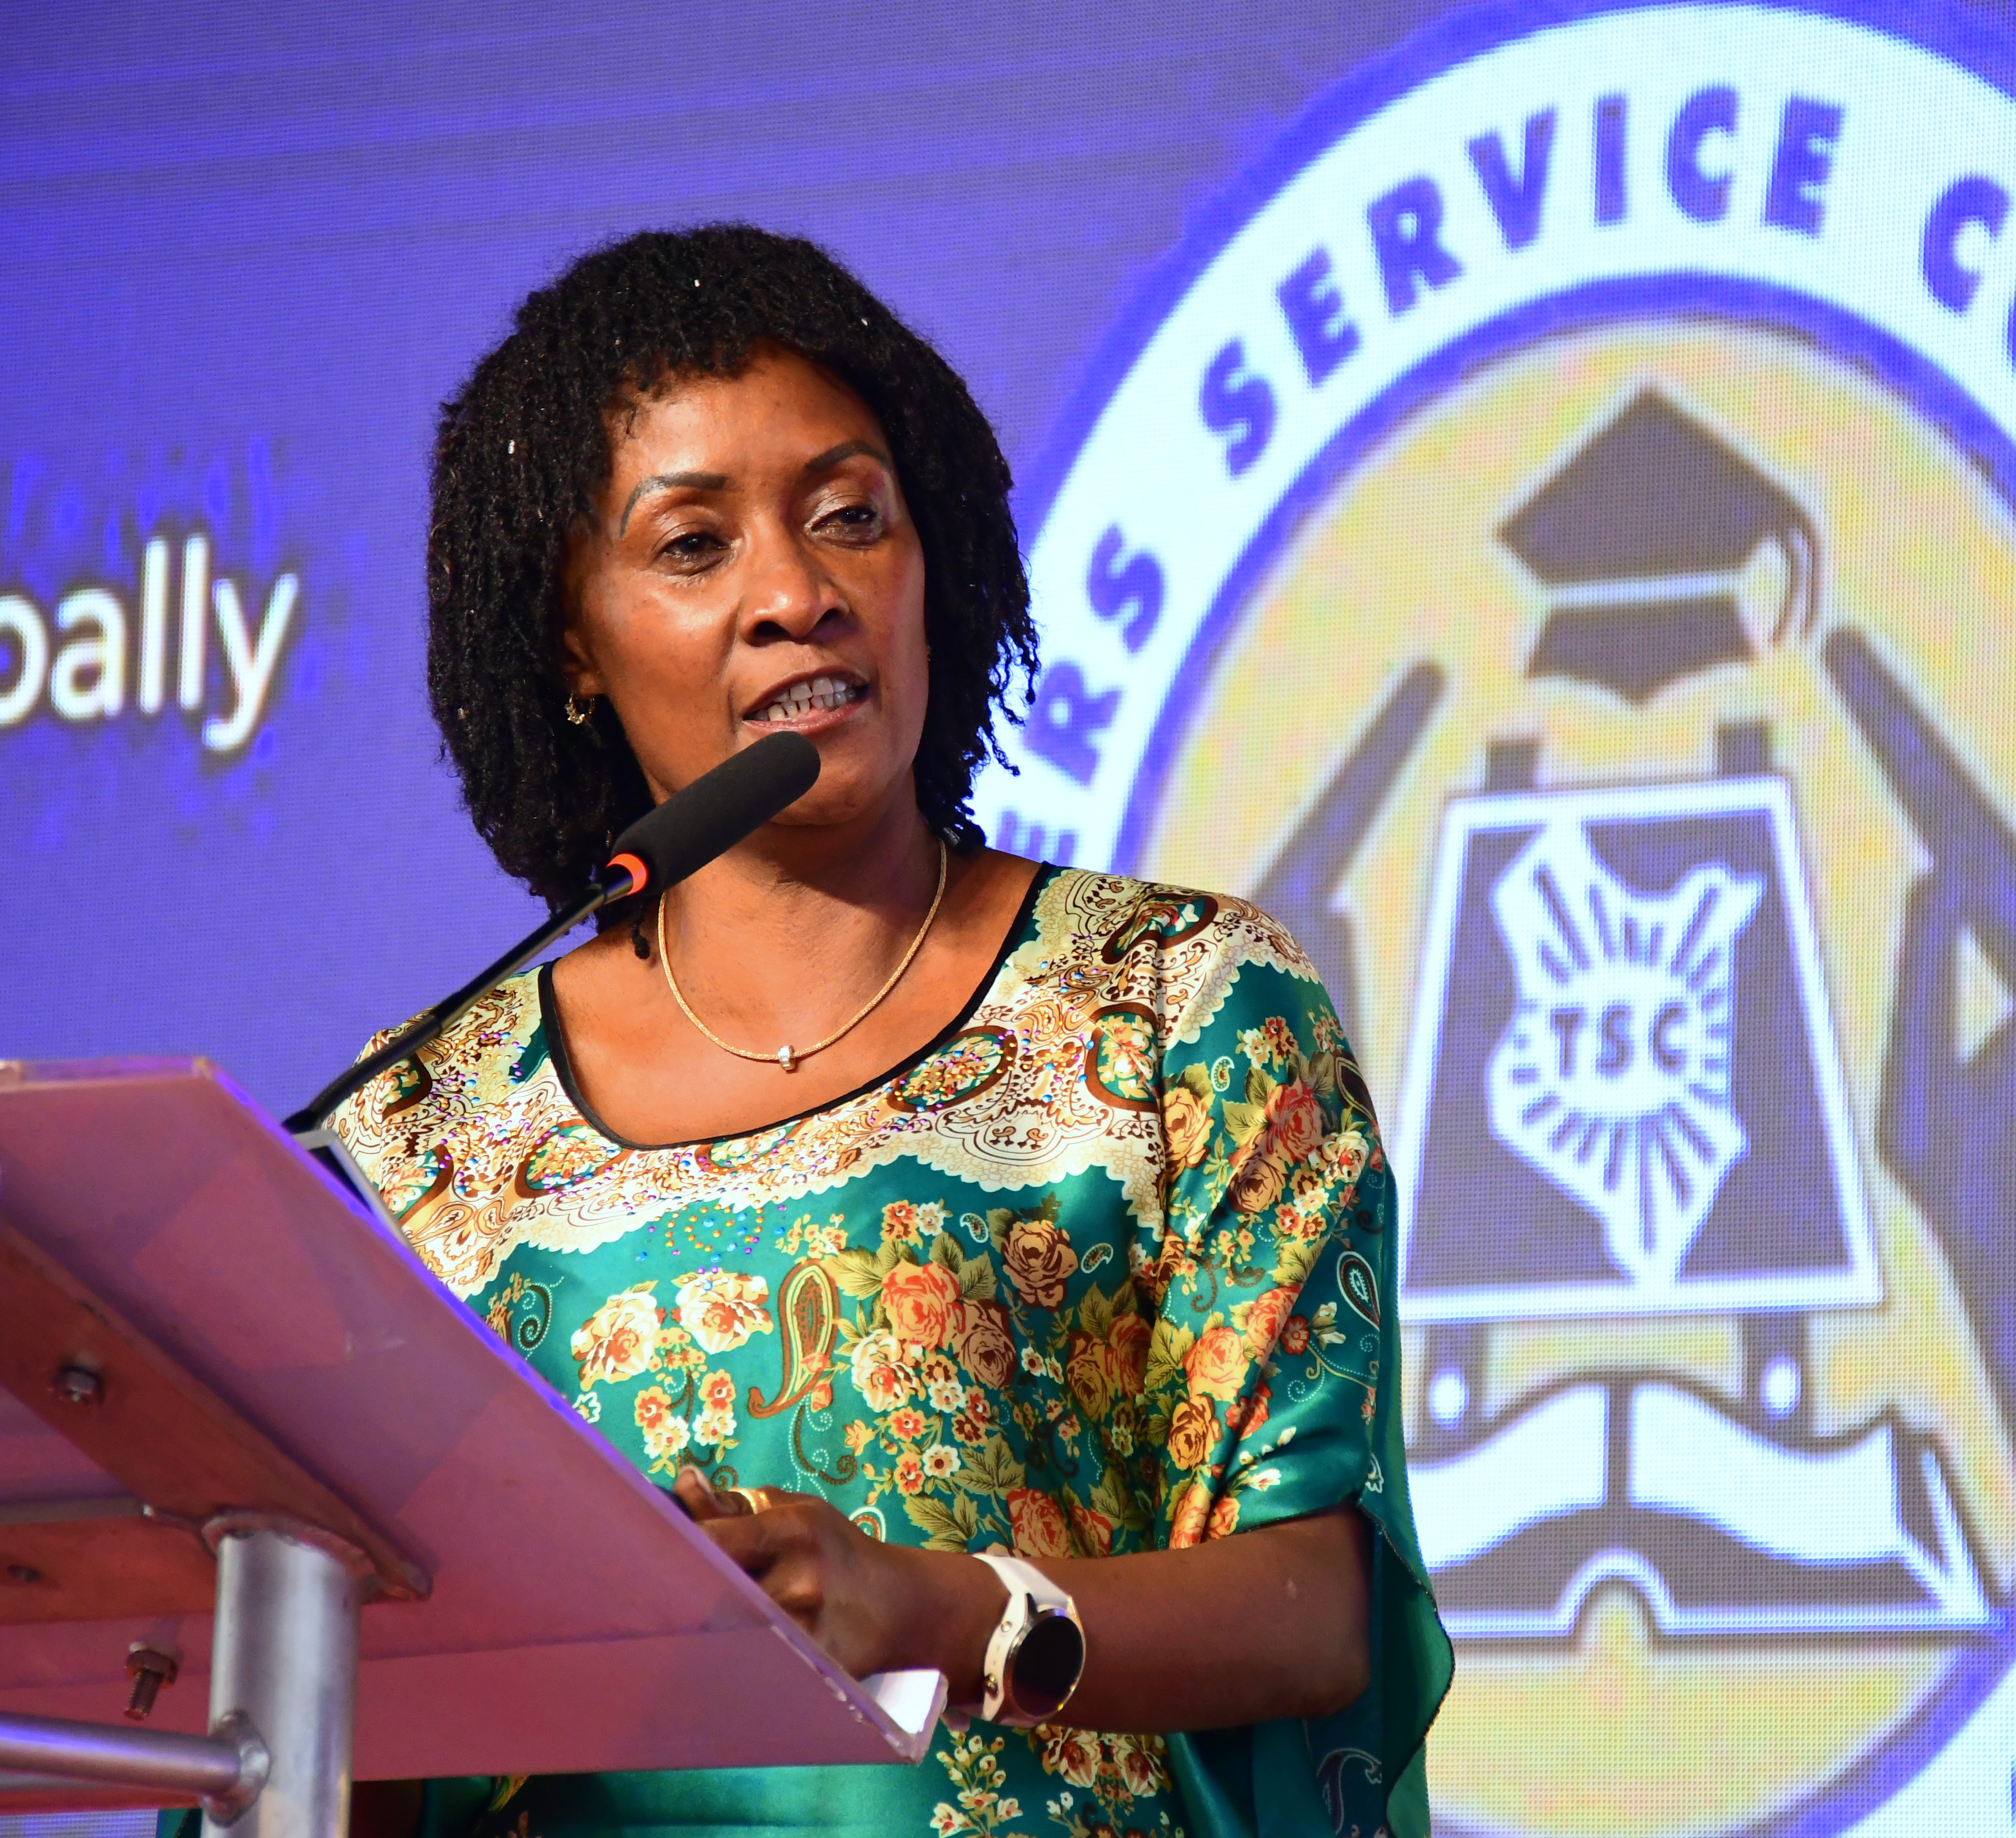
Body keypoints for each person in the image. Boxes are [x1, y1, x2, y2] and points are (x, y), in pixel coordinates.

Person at [269, 225, 1447, 1838]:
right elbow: (331, 1694)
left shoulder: (1182, 1004)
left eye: (850, 519)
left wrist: (931, 1609)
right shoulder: (414, 1134)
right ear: (570, 639)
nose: (797, 596)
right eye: (693, 548)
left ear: (930, 555)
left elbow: (1318, 1608)